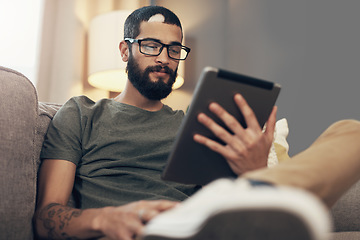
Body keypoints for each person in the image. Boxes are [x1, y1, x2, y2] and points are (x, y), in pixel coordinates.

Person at [34, 5, 360, 240]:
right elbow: (47, 218)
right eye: (151, 46)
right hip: (137, 231)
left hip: (200, 223)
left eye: (174, 49)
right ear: (125, 50)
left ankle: (264, 192)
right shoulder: (82, 113)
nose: (164, 58)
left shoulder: (197, 121)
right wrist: (107, 218)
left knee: (351, 133)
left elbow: (219, 194)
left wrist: (256, 168)